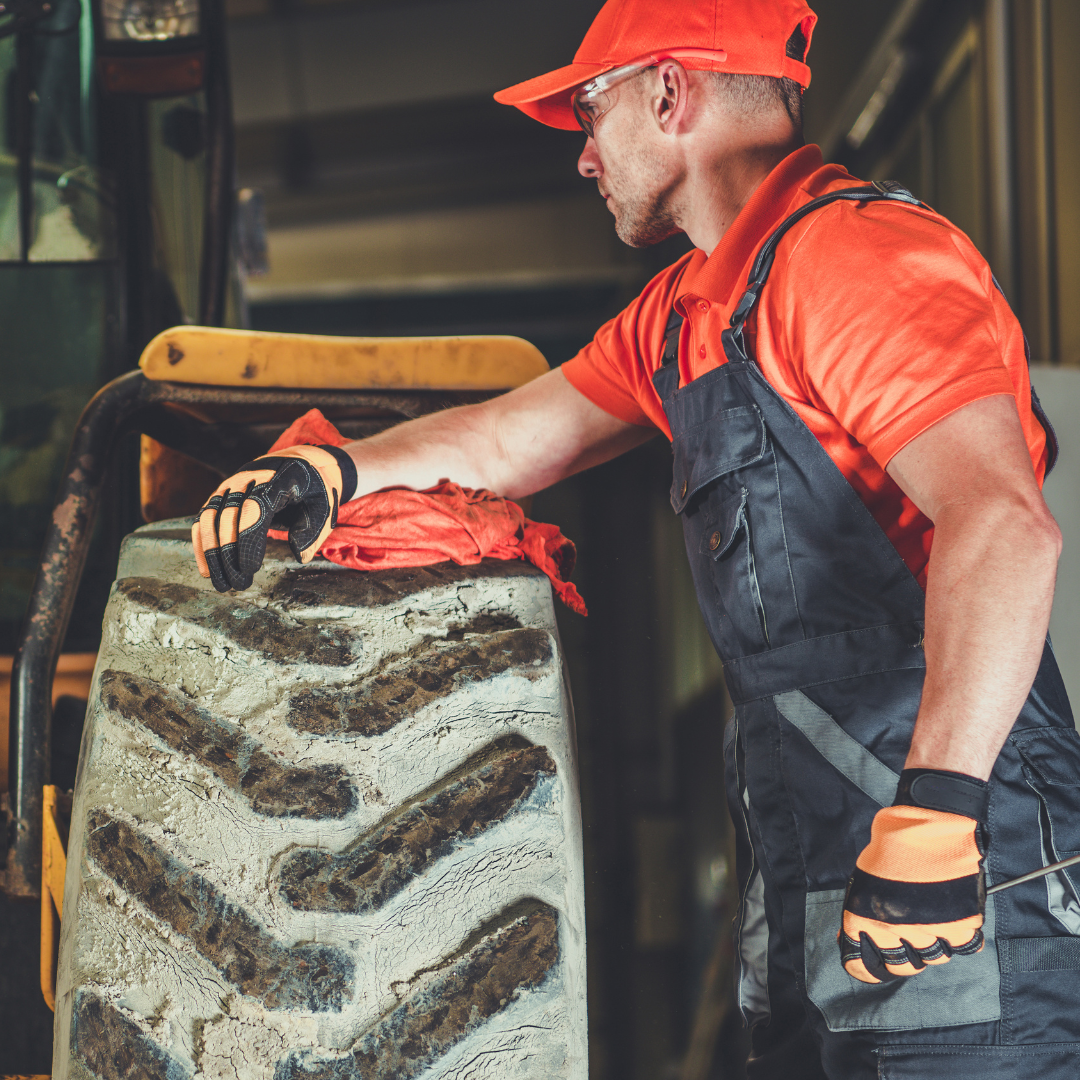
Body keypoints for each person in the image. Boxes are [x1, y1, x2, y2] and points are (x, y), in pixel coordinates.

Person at [190, 0, 1080, 1075]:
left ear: (670, 92)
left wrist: (938, 811)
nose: (582, 155)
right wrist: (322, 472)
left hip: (957, 870)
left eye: (589, 110)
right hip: (813, 868)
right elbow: (513, 436)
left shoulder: (858, 258)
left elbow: (1005, 524)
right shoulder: (687, 314)